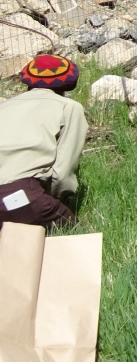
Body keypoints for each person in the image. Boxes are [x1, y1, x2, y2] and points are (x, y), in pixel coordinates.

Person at [0, 55, 87, 230]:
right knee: (73, 237)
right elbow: (62, 174)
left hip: (11, 196)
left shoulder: (5, 106)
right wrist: (57, 198)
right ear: (68, 84)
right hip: (21, 195)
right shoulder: (68, 107)